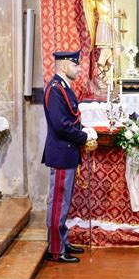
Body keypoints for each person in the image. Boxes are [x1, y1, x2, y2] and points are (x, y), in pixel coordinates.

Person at [42, 50, 97, 263]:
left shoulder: (64, 88)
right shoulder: (55, 90)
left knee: (64, 202)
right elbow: (61, 125)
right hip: (61, 153)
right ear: (64, 66)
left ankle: (62, 241)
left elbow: (71, 119)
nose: (79, 68)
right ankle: (55, 250)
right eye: (75, 65)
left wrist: (85, 130)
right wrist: (83, 137)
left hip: (68, 152)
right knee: (58, 202)